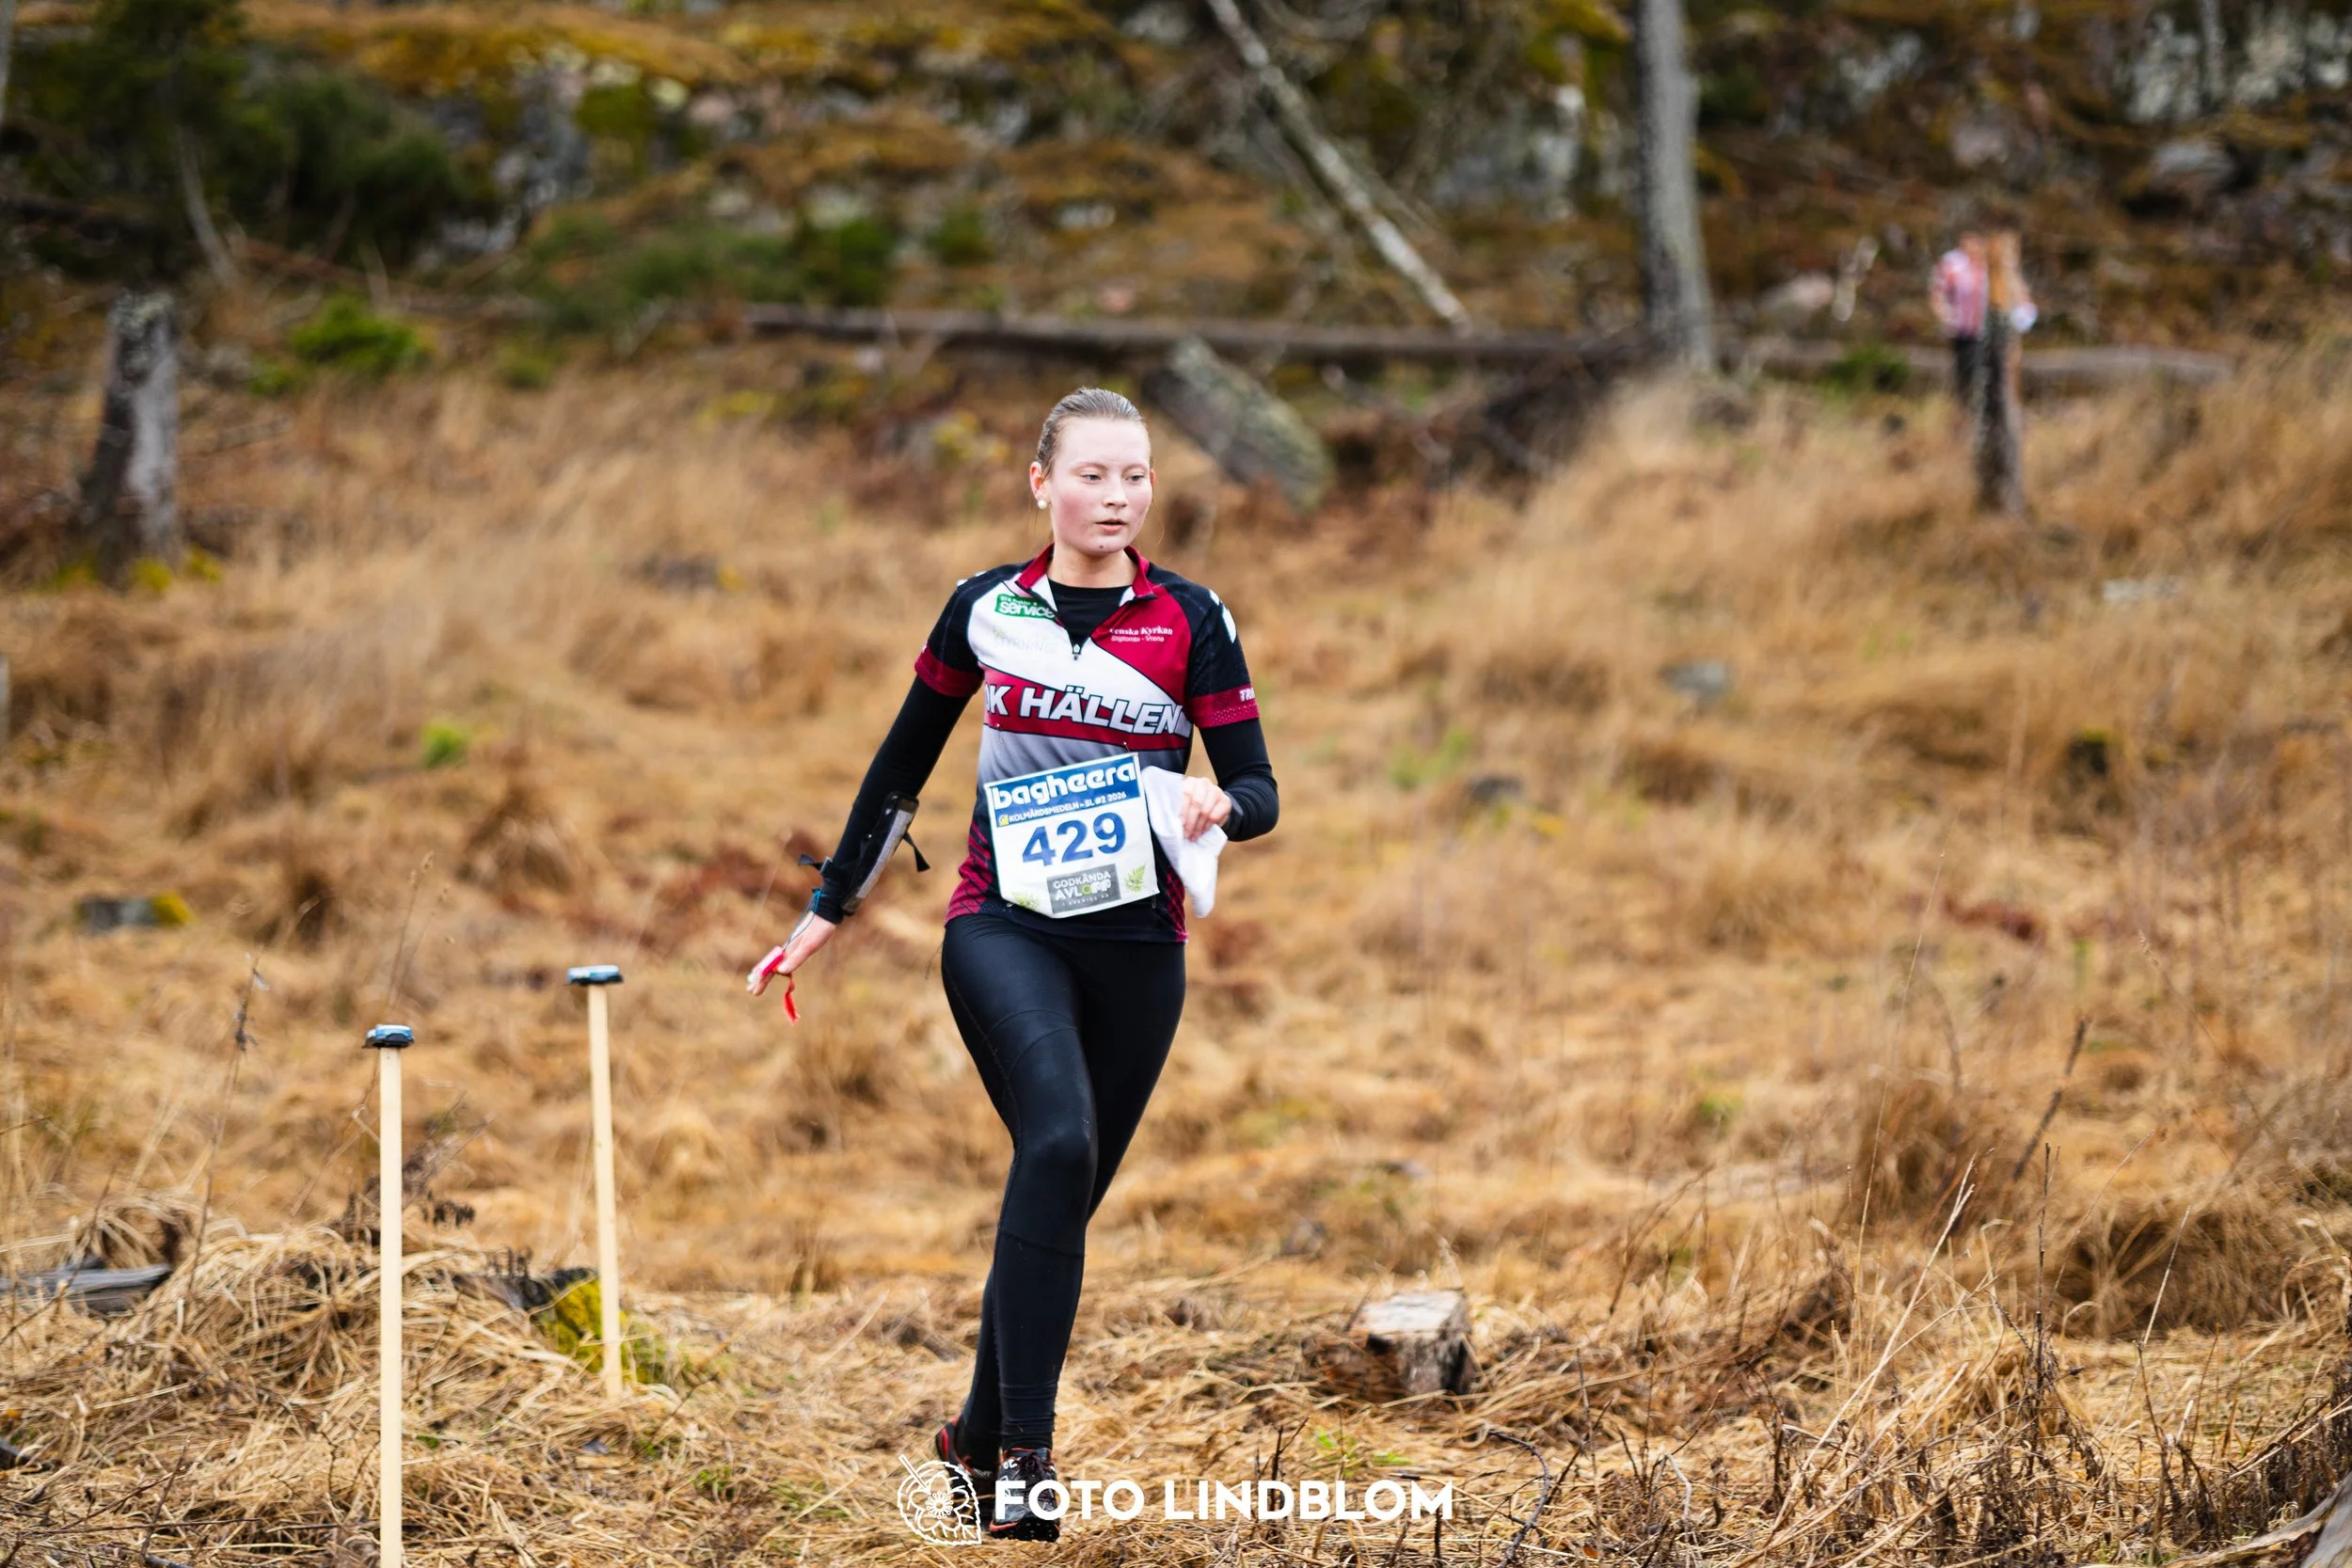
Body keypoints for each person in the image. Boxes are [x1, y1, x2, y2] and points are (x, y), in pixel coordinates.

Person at [748, 388, 1279, 1543]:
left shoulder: (1193, 618)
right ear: (1041, 484)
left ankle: (967, 1436)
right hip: (1004, 926)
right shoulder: (983, 609)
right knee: (1056, 1141)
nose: (1117, 497)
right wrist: (826, 904)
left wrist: (1215, 802)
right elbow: (902, 765)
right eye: (1092, 474)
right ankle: (1025, 1459)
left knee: (1062, 1197)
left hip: (1141, 945)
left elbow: (1260, 789)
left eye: (1135, 477)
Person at [1930, 230, 1990, 415]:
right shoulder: (1953, 263)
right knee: (1966, 374)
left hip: (1989, 331)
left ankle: (1982, 411)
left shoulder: (1991, 265)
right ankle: (1964, 412)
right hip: (1963, 331)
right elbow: (1937, 293)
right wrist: (1947, 317)